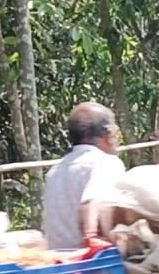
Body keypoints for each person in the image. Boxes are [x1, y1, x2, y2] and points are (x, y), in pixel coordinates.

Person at [42, 102, 125, 249]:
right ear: (110, 135)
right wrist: (91, 236)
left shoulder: (54, 171)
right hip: (91, 262)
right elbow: (90, 204)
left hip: (58, 261)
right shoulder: (106, 164)